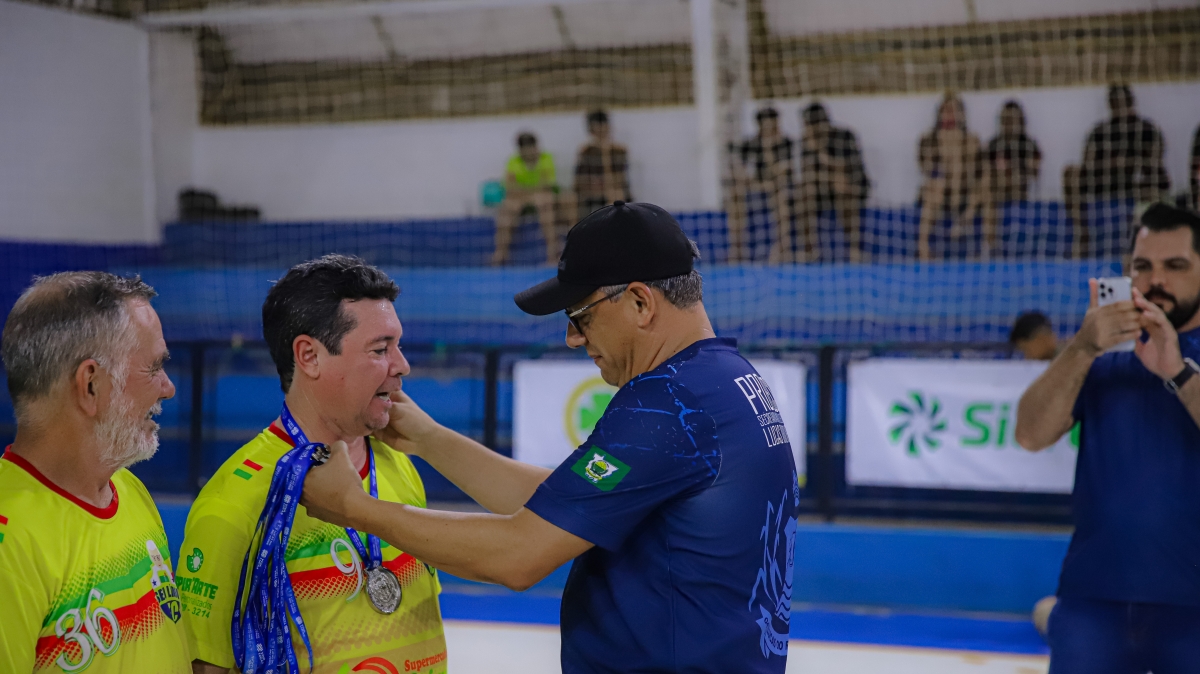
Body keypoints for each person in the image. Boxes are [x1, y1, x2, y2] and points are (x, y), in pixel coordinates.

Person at [302, 202, 801, 673]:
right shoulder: (724, 379)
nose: (573, 338)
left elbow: (517, 555)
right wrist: (429, 440)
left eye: (581, 316)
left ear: (640, 302)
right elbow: (565, 505)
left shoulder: (666, 402)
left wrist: (351, 507)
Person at [180, 255, 446, 674]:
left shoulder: (398, 463)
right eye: (381, 349)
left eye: (397, 346)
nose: (402, 365)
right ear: (309, 356)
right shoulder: (236, 500)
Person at [1015, 203, 1200, 673]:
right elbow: (1029, 435)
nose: (1156, 280)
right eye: (1143, 266)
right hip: (1093, 602)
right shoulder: (1103, 355)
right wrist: (1082, 347)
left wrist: (1178, 372)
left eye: (1175, 265)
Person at [0, 272, 189, 672]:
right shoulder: (9, 546)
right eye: (154, 367)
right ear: (91, 385)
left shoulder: (128, 488)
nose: (168, 387)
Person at [1063, 85, 1170, 258]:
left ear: (1131, 102)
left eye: (1123, 102)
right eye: (1115, 103)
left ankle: (1146, 241)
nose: (1119, 106)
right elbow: (1088, 163)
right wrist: (1113, 165)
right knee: (1070, 173)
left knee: (1155, 187)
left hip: (1136, 184)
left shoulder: (1147, 129)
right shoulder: (1100, 131)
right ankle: (1082, 234)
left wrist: (1130, 163)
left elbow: (1155, 160)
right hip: (1106, 182)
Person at [797, 102, 870, 262]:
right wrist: (829, 178)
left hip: (852, 185)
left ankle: (854, 250)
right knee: (805, 193)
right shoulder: (806, 142)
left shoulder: (845, 136)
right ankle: (810, 251)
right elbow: (808, 174)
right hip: (823, 187)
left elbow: (848, 168)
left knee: (842, 189)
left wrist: (820, 151)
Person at [918, 93, 983, 261]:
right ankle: (923, 247)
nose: (950, 115)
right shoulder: (928, 140)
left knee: (985, 187)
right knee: (935, 187)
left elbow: (979, 171)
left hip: (965, 193)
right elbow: (925, 169)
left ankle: (968, 227)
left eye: (953, 110)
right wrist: (945, 147)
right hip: (939, 194)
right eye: (946, 110)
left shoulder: (972, 140)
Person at [729, 107, 796, 263]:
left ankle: (781, 250)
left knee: (781, 196)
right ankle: (737, 251)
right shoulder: (749, 145)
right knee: (735, 194)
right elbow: (741, 172)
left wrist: (769, 148)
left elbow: (782, 172)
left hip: (779, 188)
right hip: (756, 187)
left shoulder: (786, 143)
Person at [974, 101, 1041, 258]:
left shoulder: (1028, 144)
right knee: (988, 194)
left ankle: (969, 216)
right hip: (994, 191)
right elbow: (981, 171)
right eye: (1005, 119)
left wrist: (1011, 169)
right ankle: (990, 247)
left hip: (1017, 190)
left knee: (993, 183)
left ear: (1020, 121)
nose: (1008, 123)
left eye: (1012, 119)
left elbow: (1034, 172)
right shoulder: (993, 144)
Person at [493, 131, 560, 266]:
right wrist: (531, 192)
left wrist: (524, 190)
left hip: (539, 198)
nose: (530, 153)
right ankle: (500, 254)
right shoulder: (513, 161)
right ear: (520, 150)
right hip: (521, 199)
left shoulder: (546, 158)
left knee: (545, 204)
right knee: (506, 209)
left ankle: (552, 254)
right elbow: (509, 187)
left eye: (532, 148)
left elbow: (547, 185)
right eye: (526, 150)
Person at [573, 110, 632, 220]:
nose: (601, 135)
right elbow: (579, 182)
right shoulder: (586, 152)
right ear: (591, 131)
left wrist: (606, 155)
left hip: (614, 190)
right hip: (592, 192)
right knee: (571, 199)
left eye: (603, 131)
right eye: (597, 132)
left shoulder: (619, 151)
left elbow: (621, 180)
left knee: (616, 194)